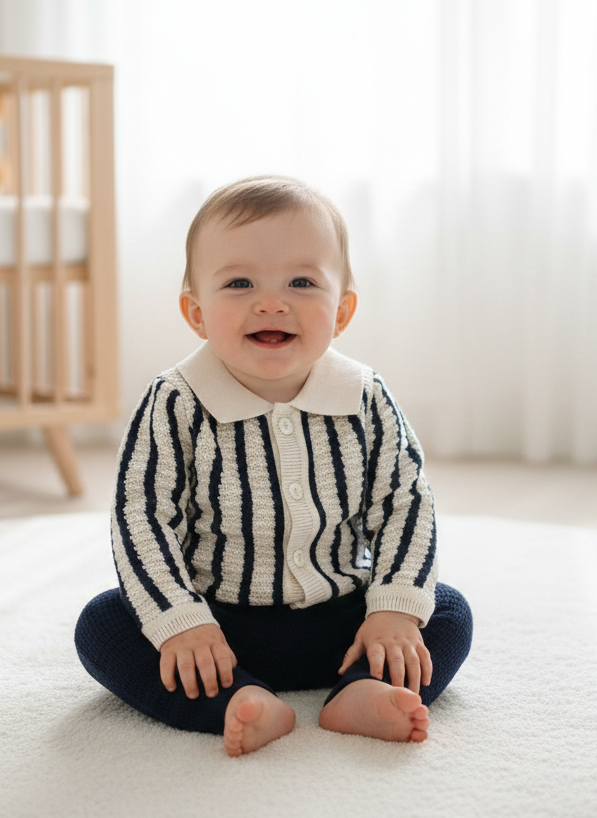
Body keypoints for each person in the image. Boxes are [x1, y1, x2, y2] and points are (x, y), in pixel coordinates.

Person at [75, 175, 472, 757]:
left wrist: (392, 611)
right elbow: (142, 516)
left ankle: (362, 689)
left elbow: (406, 503)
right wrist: (182, 621)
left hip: (344, 621)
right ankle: (235, 700)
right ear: (196, 312)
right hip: (218, 626)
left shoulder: (364, 396)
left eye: (302, 282)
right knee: (104, 626)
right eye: (239, 283)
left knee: (446, 610)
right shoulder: (175, 402)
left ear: (341, 311)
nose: (271, 301)